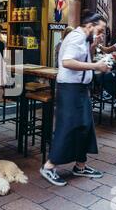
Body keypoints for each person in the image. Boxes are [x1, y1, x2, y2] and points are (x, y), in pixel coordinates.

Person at [40, 11, 110, 187]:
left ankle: (80, 165)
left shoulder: (83, 38)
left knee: (85, 125)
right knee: (68, 126)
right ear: (90, 25)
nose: (101, 34)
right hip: (70, 89)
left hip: (79, 88)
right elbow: (67, 62)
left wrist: (93, 46)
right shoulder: (76, 38)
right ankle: (48, 167)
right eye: (100, 30)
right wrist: (96, 66)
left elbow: (81, 58)